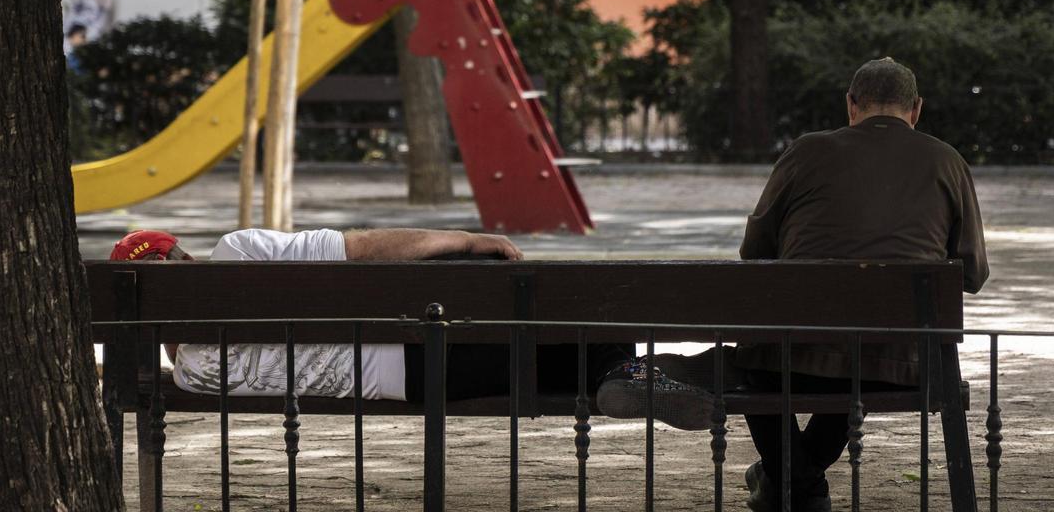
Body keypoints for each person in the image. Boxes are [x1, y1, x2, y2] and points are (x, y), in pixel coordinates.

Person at [725, 57, 989, 512]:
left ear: (851, 104)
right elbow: (972, 273)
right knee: (858, 358)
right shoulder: (947, 161)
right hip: (899, 358)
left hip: (791, 352)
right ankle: (796, 485)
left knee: (762, 364)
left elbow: (755, 252)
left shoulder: (805, 152)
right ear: (916, 109)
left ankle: (791, 485)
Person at [110, 228, 713, 424]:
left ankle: (631, 370)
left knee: (557, 346)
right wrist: (468, 239)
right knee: (562, 313)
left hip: (414, 383)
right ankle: (632, 368)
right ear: (184, 256)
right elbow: (366, 248)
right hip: (425, 330)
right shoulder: (240, 252)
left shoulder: (190, 373)